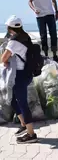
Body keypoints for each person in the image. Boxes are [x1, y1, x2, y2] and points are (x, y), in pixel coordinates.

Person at [1, 16, 37, 144]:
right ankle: (24, 124)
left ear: (10, 28)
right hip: (26, 74)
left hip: (20, 75)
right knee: (12, 100)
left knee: (22, 104)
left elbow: (3, 58)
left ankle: (31, 134)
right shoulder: (25, 37)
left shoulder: (14, 42)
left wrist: (5, 61)